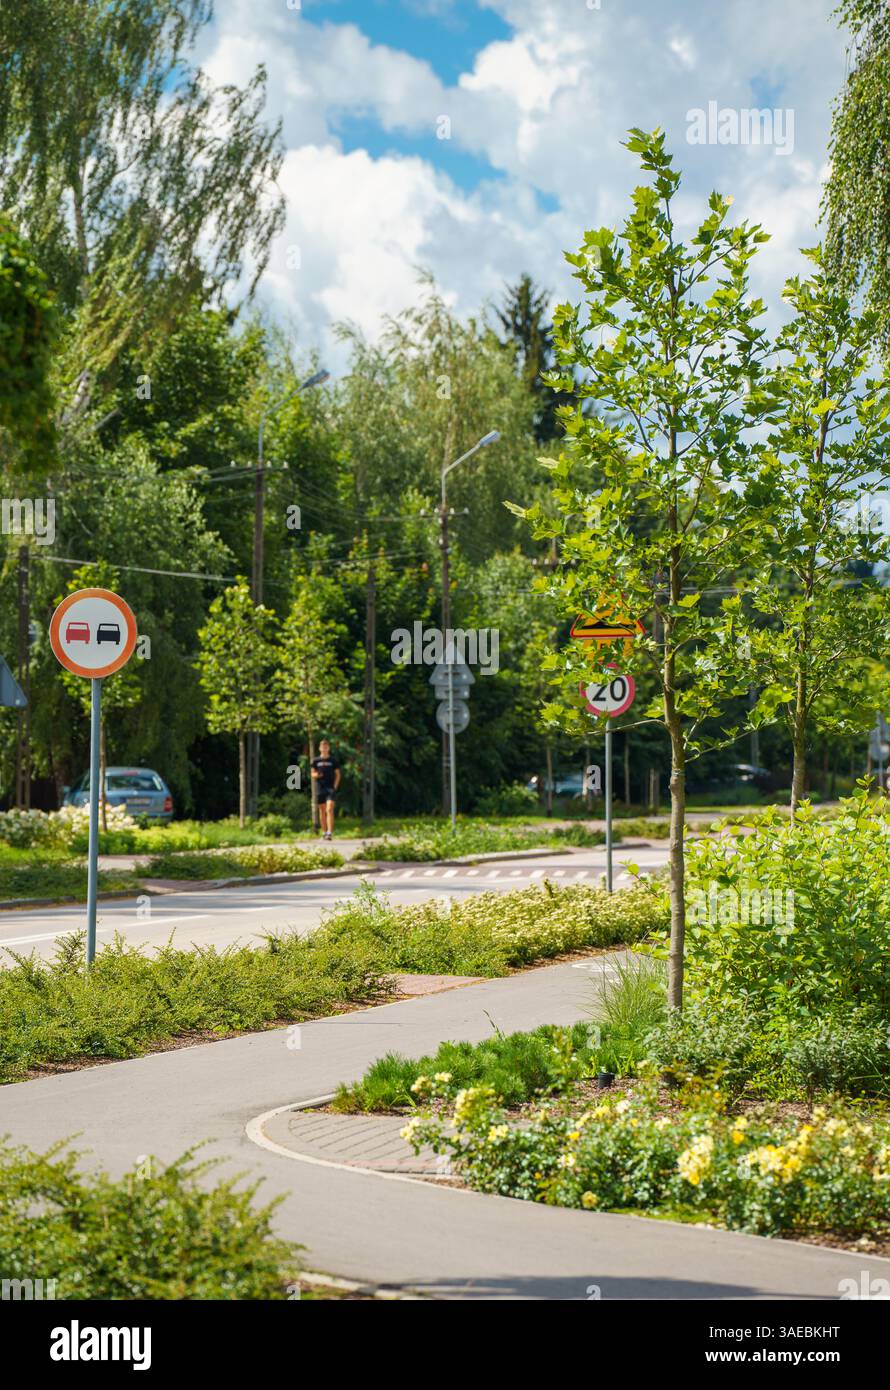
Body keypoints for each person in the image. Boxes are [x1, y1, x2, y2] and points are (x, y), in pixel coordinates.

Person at [310, 739, 340, 840]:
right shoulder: (315, 761)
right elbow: (312, 774)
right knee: (322, 810)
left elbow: (338, 775)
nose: (324, 748)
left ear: (329, 748)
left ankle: (329, 832)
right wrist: (317, 775)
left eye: (326, 747)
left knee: (329, 808)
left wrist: (335, 786)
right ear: (319, 748)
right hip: (320, 788)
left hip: (330, 788)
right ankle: (324, 831)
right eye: (322, 747)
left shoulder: (333, 761)